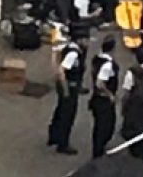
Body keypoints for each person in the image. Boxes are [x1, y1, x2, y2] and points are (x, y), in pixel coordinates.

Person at [47, 27, 89, 155]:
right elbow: (62, 70)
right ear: (79, 40)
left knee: (60, 111)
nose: (87, 42)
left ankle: (53, 136)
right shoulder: (73, 54)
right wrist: (65, 89)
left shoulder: (69, 48)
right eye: (85, 39)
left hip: (67, 85)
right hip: (69, 86)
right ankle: (62, 144)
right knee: (67, 115)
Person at [90, 36, 119, 158]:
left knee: (100, 125)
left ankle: (98, 148)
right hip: (103, 100)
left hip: (97, 99)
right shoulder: (108, 65)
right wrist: (110, 94)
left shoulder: (96, 59)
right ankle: (98, 151)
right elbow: (100, 83)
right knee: (106, 126)